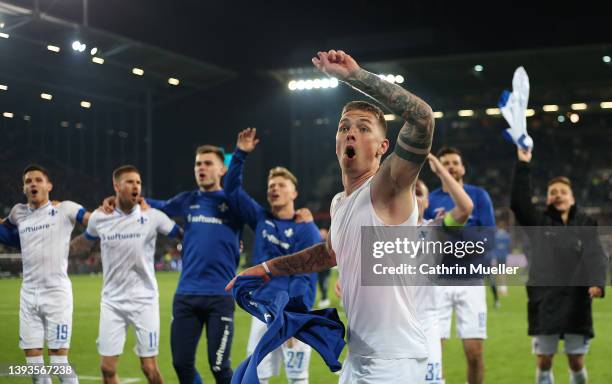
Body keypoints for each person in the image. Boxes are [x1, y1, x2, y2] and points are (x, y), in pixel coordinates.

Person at [227, 49, 435, 383]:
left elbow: (423, 119)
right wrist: (267, 268)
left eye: (363, 128)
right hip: (361, 353)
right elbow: (329, 253)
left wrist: (355, 77)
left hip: (392, 359)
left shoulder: (387, 187)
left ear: (383, 147)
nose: (350, 132)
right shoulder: (341, 202)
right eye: (343, 127)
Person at [225, 127, 322, 383]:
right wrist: (240, 154)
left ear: (294, 193)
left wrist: (292, 315)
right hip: (263, 311)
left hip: (293, 314)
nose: (274, 189)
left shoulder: (306, 229)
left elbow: (305, 276)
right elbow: (232, 191)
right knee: (255, 376)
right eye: (271, 185)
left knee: (297, 378)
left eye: (281, 185)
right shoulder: (260, 219)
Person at [72, 165, 181, 384]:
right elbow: (84, 241)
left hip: (144, 301)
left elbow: (184, 235)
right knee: (107, 368)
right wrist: (57, 247)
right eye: (130, 182)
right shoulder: (100, 218)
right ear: (116, 186)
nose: (136, 186)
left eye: (138, 183)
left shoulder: (153, 216)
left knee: (149, 368)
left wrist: (224, 243)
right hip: (112, 302)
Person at [511, 148, 606, 384]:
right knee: (544, 360)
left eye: (563, 191)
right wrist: (524, 163)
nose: (558, 195)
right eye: (553, 192)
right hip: (545, 300)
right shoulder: (539, 222)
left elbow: (595, 254)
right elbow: (519, 203)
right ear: (548, 198)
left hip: (577, 300)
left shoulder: (586, 223)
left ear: (572, 197)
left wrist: (597, 281)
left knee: (576, 361)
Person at [3, 165, 90, 384]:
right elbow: (5, 227)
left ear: (49, 186)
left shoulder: (65, 209)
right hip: (29, 295)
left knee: (59, 365)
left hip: (56, 295)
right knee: (35, 369)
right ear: (23, 188)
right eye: (28, 181)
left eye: (38, 180)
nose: (33, 184)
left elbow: (92, 220)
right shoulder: (18, 212)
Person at [423, 147, 495, 384]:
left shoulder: (478, 195)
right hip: (438, 283)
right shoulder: (429, 199)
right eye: (446, 163)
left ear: (463, 167)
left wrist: (451, 231)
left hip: (471, 281)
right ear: (437, 168)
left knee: (475, 353)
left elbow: (488, 240)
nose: (451, 166)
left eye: (455, 162)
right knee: (434, 352)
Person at [414, 152, 474, 384]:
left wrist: (441, 171)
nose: (412, 196)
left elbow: (466, 207)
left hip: (427, 319)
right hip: (392, 320)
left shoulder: (435, 228)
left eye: (418, 193)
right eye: (407, 191)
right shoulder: (383, 229)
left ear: (427, 203)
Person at [316, 228, 332, 308]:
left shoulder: (328, 243)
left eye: (323, 233)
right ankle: (323, 299)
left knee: (324, 283)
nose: (321, 235)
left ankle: (325, 299)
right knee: (320, 284)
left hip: (326, 268)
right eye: (320, 233)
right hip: (319, 268)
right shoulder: (317, 242)